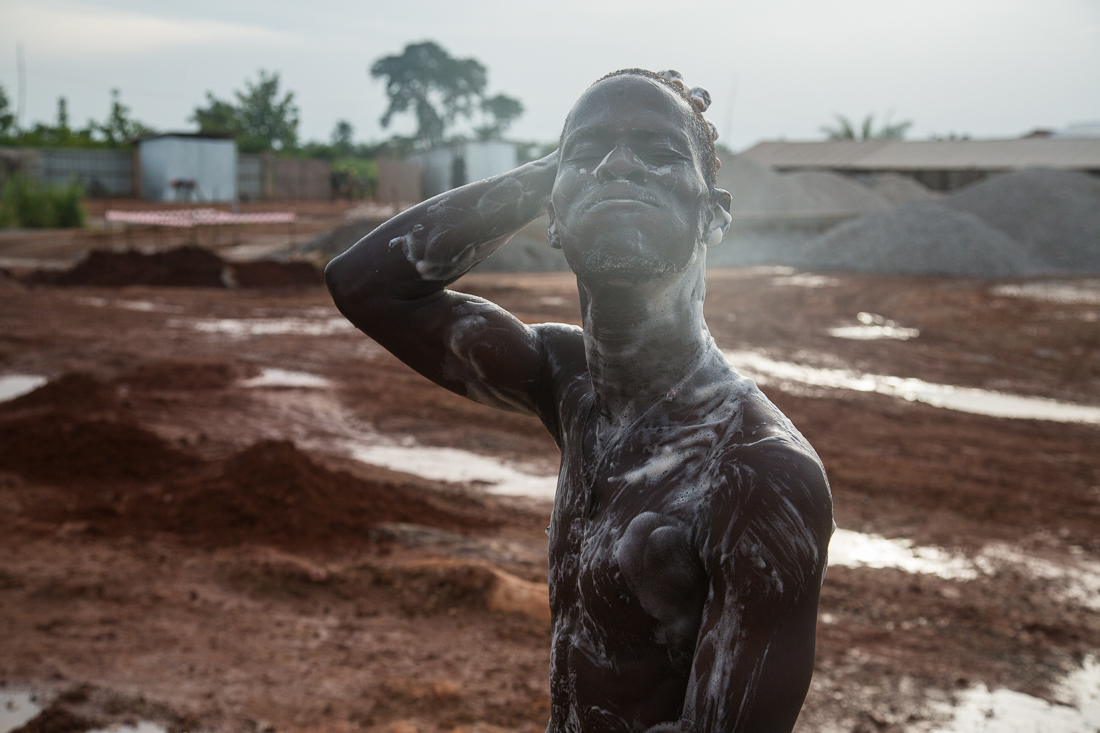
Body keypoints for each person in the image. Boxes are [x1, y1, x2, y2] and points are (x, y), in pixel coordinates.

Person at [326, 68, 834, 733]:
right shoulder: (569, 384)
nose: (620, 165)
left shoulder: (757, 471)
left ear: (714, 215)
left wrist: (584, 172)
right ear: (554, 219)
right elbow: (366, 284)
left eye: (658, 153)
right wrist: (557, 174)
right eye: (592, 152)